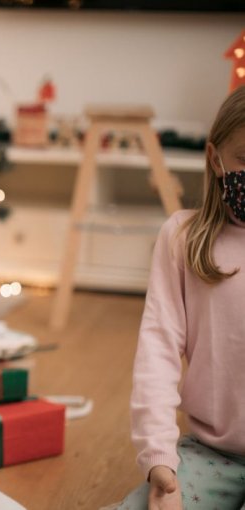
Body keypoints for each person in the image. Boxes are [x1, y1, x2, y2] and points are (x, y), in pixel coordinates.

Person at [119, 87, 245, 510]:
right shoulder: (183, 237)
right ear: (216, 158)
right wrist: (160, 460)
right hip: (211, 454)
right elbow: (158, 350)